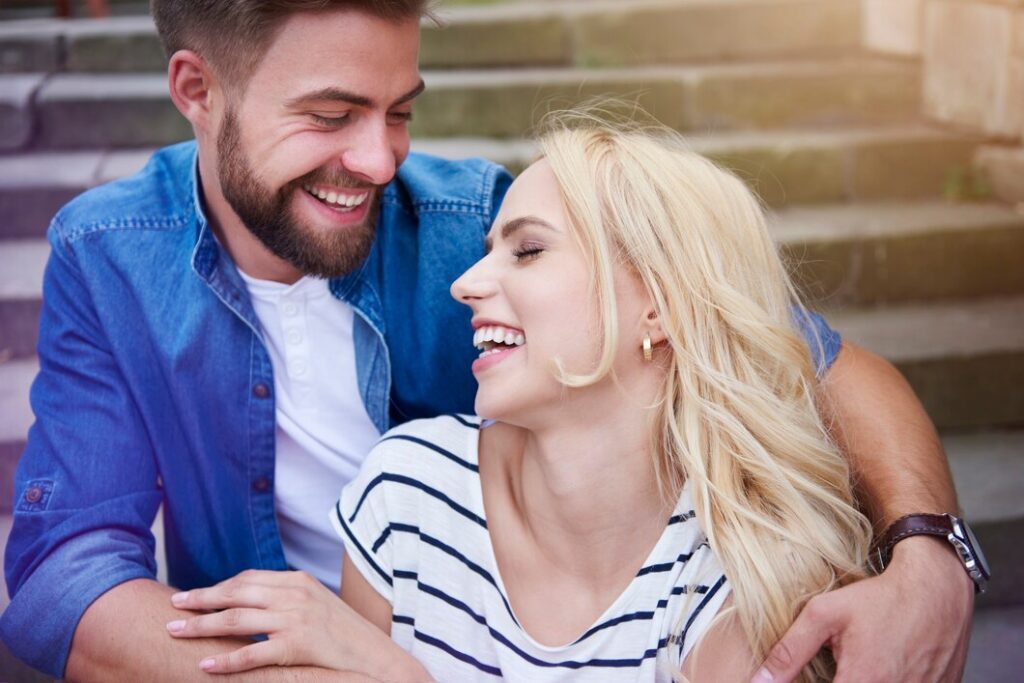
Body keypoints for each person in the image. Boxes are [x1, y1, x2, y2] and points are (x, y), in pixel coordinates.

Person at [1, 1, 974, 682]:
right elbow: (66, 569)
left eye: (400, 112)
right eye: (331, 116)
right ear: (196, 89)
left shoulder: (477, 221)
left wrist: (927, 554)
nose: (380, 160)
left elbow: (804, 354)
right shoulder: (111, 253)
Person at [170, 112, 876, 682]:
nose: (467, 283)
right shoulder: (403, 494)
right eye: (488, 248)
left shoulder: (739, 569)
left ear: (659, 306)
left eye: (528, 250)